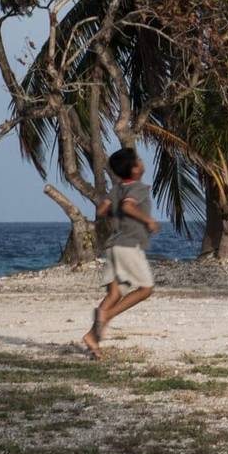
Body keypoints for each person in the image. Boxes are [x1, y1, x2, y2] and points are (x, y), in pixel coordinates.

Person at [81, 147, 160, 359]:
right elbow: (128, 207)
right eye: (139, 160)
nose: (142, 162)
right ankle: (107, 315)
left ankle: (92, 338)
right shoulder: (138, 188)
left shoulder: (116, 189)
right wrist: (148, 220)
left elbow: (101, 210)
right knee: (146, 289)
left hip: (113, 246)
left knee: (114, 294)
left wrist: (114, 211)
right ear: (135, 169)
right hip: (128, 246)